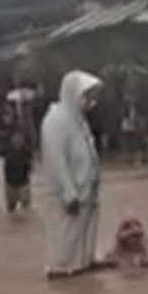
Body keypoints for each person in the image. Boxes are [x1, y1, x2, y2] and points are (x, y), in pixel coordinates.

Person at [40, 71, 105, 279]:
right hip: (68, 193)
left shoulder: (79, 121)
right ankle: (61, 270)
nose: (90, 101)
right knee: (66, 236)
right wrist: (69, 192)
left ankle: (83, 265)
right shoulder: (55, 121)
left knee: (84, 234)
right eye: (86, 95)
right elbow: (56, 160)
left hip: (86, 189)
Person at [0, 129, 34, 214]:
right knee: (11, 207)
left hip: (23, 183)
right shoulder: (7, 150)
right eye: (15, 141)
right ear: (12, 142)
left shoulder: (26, 152)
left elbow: (31, 166)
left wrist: (29, 167)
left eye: (19, 141)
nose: (17, 142)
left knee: (26, 207)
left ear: (22, 142)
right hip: (10, 183)